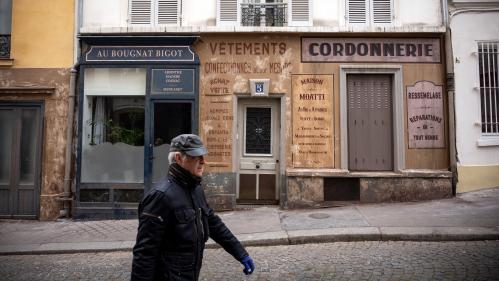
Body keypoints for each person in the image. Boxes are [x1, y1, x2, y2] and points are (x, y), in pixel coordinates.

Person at [131, 134, 255, 281]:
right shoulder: (160, 196)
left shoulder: (195, 189)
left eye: (203, 156)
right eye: (196, 156)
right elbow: (145, 253)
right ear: (178, 158)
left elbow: (213, 223)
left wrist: (240, 253)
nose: (203, 161)